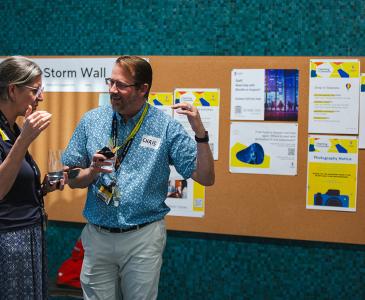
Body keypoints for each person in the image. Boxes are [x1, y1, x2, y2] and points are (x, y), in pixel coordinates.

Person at [62, 55, 215, 300]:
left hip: (142, 236)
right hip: (97, 235)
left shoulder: (165, 126)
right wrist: (91, 171)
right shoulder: (92, 121)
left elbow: (205, 177)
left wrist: (200, 132)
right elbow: (70, 175)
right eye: (110, 82)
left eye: (121, 85)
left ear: (143, 89)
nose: (112, 90)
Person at [0, 56, 67, 299]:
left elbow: (14, 182)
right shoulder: (19, 133)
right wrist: (25, 139)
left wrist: (42, 189)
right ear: (12, 89)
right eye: (35, 89)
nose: (41, 97)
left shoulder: (12, 128)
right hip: (8, 240)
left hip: (28, 234)